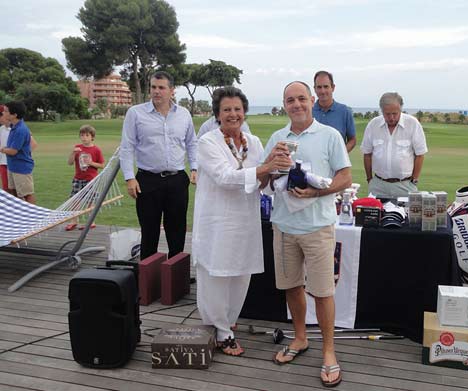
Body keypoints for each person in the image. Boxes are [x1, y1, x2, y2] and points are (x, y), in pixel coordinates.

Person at [263, 81, 352, 387]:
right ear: (284, 105)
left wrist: (315, 192)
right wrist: (272, 169)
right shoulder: (277, 138)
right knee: (291, 287)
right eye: (290, 100)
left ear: (312, 100)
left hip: (318, 227)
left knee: (323, 291)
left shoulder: (330, 135)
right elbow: (263, 180)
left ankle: (329, 352)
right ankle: (300, 338)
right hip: (284, 227)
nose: (297, 104)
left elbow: (345, 177)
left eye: (302, 98)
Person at [192, 86, 291, 356]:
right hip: (217, 220)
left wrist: (276, 166)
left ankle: (229, 321)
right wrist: (265, 167)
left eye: (237, 109)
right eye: (227, 110)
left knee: (240, 272)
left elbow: (260, 182)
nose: (233, 114)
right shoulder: (208, 142)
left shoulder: (253, 142)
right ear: (218, 114)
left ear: (244, 112)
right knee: (217, 273)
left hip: (245, 220)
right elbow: (224, 177)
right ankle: (221, 331)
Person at [120, 71, 198, 260]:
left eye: (161, 87)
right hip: (147, 180)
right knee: (149, 230)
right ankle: (149, 280)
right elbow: (127, 147)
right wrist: (130, 178)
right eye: (153, 87)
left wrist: (194, 168)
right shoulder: (136, 113)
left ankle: (176, 277)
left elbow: (191, 143)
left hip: (177, 180)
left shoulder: (184, 114)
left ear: (172, 90)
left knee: (177, 230)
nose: (156, 91)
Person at [361, 92, 427, 198]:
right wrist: (369, 179)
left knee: (407, 214)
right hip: (378, 185)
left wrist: (414, 180)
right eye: (387, 114)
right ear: (381, 111)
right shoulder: (373, 125)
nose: (391, 117)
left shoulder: (412, 124)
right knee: (375, 214)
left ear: (400, 109)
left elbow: (420, 154)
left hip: (405, 185)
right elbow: (367, 153)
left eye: (395, 113)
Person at [64, 125, 105, 231]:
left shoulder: (96, 150)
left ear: (92, 137)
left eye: (87, 135)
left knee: (90, 202)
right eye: (82, 135)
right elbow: (69, 163)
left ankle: (90, 222)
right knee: (75, 200)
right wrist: (73, 153)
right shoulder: (78, 148)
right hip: (78, 179)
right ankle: (73, 221)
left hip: (91, 180)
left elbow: (101, 165)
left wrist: (90, 163)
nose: (84, 137)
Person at [312, 71, 357, 152]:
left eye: (326, 86)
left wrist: (341, 155)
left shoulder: (345, 111)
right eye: (319, 87)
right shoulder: (309, 111)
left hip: (337, 164)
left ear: (332, 87)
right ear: (314, 89)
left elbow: (352, 140)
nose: (322, 91)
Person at [0, 101, 36, 204]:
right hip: (13, 167)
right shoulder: (14, 127)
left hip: (21, 168)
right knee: (14, 193)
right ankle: (22, 216)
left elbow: (13, 151)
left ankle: (33, 217)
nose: (4, 113)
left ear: (14, 115)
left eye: (6, 111)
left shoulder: (20, 129)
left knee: (27, 194)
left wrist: (2, 149)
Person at [0, 105, 10, 192]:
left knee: (17, 191)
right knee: (6, 189)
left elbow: (32, 144)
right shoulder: (1, 129)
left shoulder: (16, 128)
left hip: (14, 164)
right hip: (3, 163)